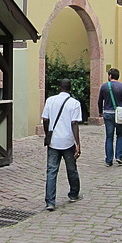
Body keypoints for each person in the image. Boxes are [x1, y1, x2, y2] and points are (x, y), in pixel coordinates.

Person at [41, 78, 82, 211]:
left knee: (51, 171)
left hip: (53, 141)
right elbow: (74, 124)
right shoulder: (74, 103)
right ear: (70, 89)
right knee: (71, 169)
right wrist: (78, 143)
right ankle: (74, 194)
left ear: (59, 88)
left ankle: (50, 201)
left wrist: (48, 134)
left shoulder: (50, 100)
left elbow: (45, 119)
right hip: (68, 141)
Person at [98, 68, 122, 167]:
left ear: (110, 76)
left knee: (109, 136)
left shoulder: (104, 87)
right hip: (119, 114)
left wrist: (100, 111)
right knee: (120, 135)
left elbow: (100, 101)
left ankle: (109, 159)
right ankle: (119, 156)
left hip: (108, 113)